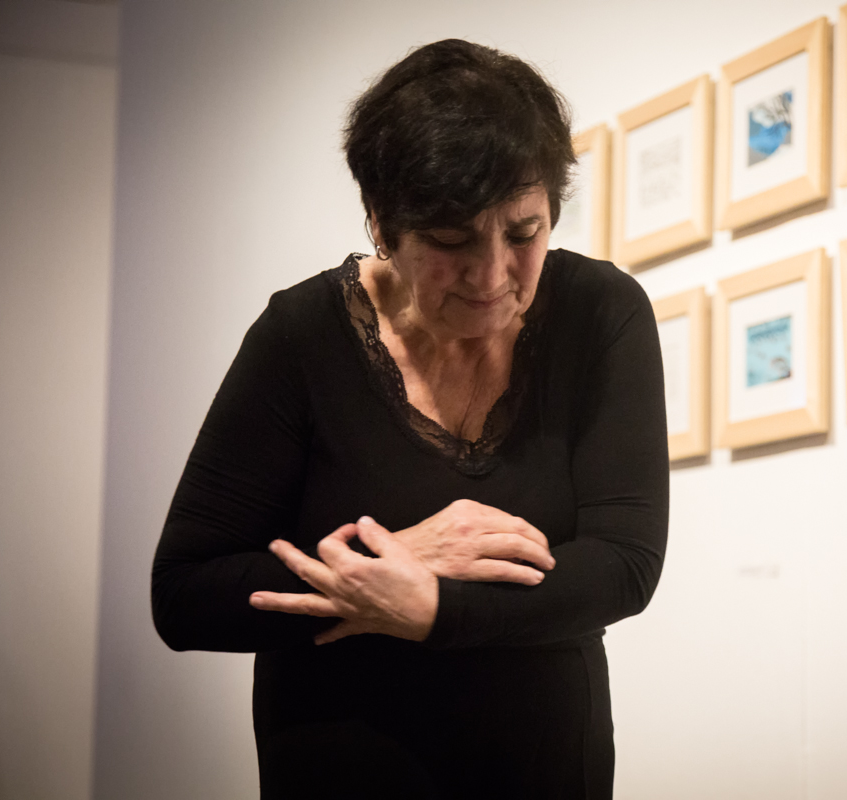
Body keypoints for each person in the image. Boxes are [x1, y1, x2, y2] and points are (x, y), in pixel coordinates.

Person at [150, 38, 669, 799]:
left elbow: (624, 564)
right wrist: (393, 558)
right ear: (382, 226)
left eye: (523, 233)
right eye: (452, 241)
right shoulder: (300, 337)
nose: (492, 274)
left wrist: (433, 608)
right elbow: (186, 596)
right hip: (343, 764)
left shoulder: (602, 313)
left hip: (547, 763)